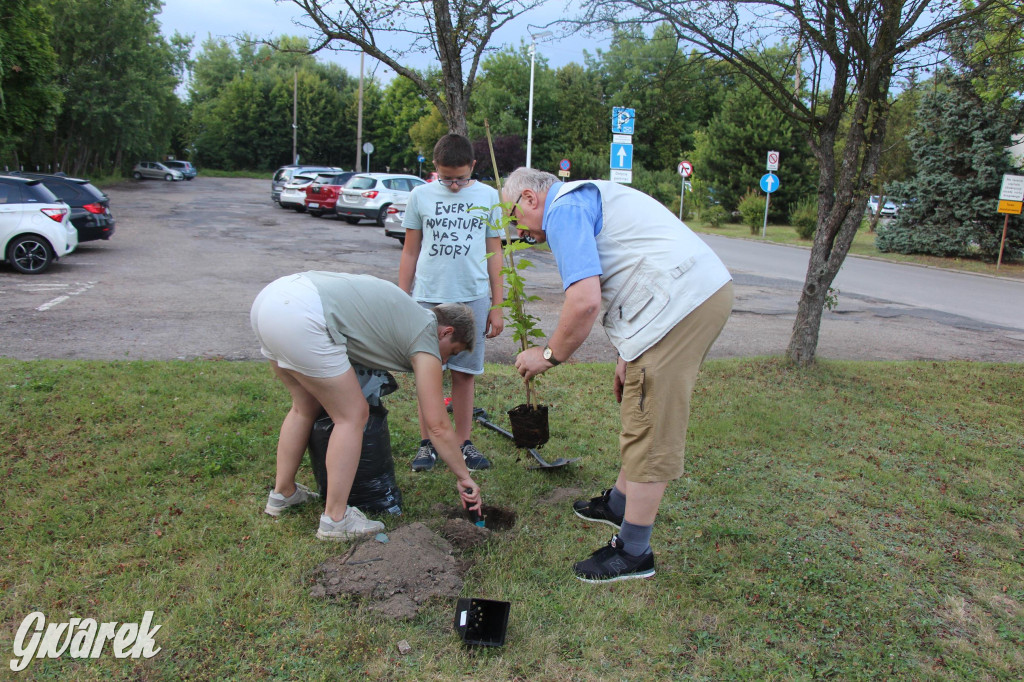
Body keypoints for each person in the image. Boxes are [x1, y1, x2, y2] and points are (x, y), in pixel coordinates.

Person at [502, 168, 734, 583]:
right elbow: (627, 268)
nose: (517, 230)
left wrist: (548, 355)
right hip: (682, 299)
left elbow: (585, 300)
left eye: (514, 217)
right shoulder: (579, 200)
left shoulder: (562, 209)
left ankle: (633, 551)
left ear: (530, 198)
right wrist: (629, 352)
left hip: (680, 305)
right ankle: (620, 504)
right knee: (637, 402)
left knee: (650, 423)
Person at [250, 271, 483, 540]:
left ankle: (283, 493)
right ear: (446, 332)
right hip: (304, 314)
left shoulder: (405, 315)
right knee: (351, 415)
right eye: (451, 353)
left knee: (304, 406)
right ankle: (335, 520)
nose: (443, 363)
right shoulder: (425, 333)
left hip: (271, 301)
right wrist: (464, 476)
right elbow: (438, 426)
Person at [398, 134, 504, 473]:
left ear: (473, 166)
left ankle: (463, 442)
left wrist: (497, 304)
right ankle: (427, 443)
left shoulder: (488, 196)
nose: (454, 185)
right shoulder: (420, 196)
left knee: (465, 373)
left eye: (460, 177)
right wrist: (401, 297)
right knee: (427, 372)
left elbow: (495, 252)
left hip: (473, 297)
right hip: (428, 299)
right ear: (435, 168)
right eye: (447, 178)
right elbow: (410, 250)